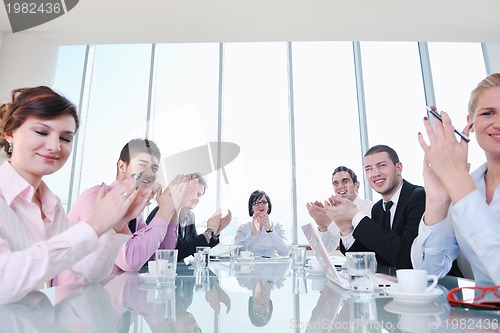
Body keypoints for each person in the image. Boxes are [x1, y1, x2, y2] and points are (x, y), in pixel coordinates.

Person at [0, 86, 149, 304]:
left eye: (65, 138)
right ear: (10, 134)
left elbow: (87, 274)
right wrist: (95, 224)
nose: (54, 146)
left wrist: (115, 225)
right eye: (41, 132)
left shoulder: (52, 206)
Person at [411, 73, 500, 286]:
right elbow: (427, 272)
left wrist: (455, 178)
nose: (498, 123)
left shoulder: (462, 186)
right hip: (483, 317)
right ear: (470, 124)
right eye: (488, 113)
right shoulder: (469, 185)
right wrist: (437, 202)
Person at [66, 138, 195, 276]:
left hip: (108, 292)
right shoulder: (96, 198)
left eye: (154, 168)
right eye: (142, 165)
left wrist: (173, 209)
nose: (150, 174)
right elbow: (130, 261)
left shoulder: (134, 212)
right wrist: (164, 211)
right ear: (122, 167)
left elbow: (158, 256)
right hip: (76, 294)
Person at [324, 145, 426, 269]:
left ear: (398, 168)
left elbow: (408, 257)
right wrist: (346, 229)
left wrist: (355, 215)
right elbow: (371, 255)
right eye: (369, 169)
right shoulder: (378, 208)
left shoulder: (419, 197)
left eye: (381, 165)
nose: (375, 173)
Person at [147, 172, 232, 262]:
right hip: (152, 269)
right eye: (191, 192)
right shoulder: (164, 211)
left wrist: (215, 232)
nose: (195, 197)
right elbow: (178, 252)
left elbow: (195, 249)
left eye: (199, 195)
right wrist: (209, 231)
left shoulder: (190, 216)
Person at [306, 166, 374, 254]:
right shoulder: (336, 211)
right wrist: (322, 226)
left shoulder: (370, 208)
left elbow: (361, 245)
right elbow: (325, 251)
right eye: (336, 183)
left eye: (345, 181)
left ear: (356, 185)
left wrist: (328, 222)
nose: (340, 186)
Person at [234, 190, 289, 257]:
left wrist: (270, 230)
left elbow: (285, 252)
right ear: (251, 208)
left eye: (263, 202)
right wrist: (253, 233)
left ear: (268, 206)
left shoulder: (278, 226)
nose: (260, 205)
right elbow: (236, 252)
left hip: (273, 266)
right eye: (256, 203)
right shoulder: (243, 228)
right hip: (251, 266)